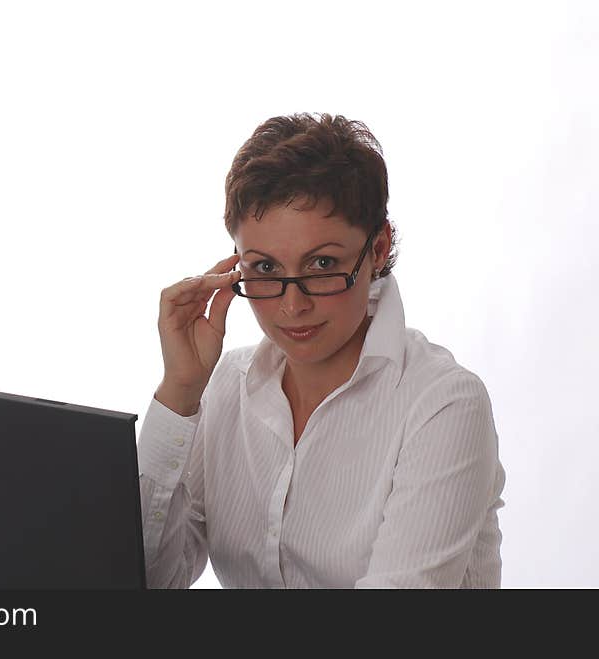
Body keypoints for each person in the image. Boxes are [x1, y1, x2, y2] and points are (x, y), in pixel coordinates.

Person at [137, 112, 506, 588]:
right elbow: (144, 581)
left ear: (376, 249)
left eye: (322, 263)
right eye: (265, 267)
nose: (293, 305)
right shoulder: (226, 388)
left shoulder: (443, 405)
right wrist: (180, 392)